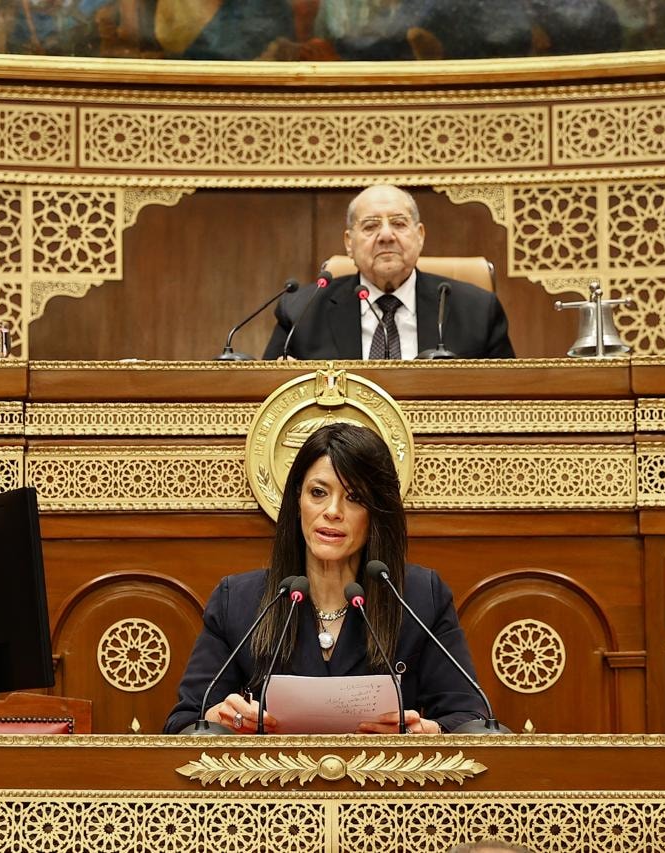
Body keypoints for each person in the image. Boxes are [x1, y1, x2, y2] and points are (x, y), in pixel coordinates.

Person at [164, 421, 486, 734]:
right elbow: (184, 723)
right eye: (318, 492)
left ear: (376, 511)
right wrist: (220, 720)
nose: (332, 511)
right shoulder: (237, 601)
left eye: (354, 497)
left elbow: (470, 719)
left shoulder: (420, 597)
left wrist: (429, 732)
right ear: (298, 501)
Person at [262, 184, 515, 361]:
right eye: (370, 226)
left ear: (420, 236)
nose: (386, 236)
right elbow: (267, 397)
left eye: (398, 223)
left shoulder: (477, 311)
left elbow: (508, 400)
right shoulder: (302, 312)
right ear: (349, 243)